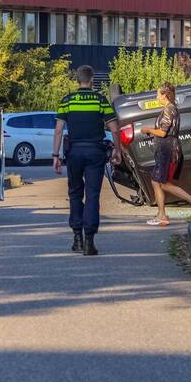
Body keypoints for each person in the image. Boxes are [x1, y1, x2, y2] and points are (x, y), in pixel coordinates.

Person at [53, 64, 121, 256]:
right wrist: (117, 150)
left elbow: (58, 130)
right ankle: (90, 241)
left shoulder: (67, 100)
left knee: (75, 193)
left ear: (77, 80)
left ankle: (77, 239)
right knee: (92, 195)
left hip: (74, 152)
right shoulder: (100, 100)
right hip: (95, 152)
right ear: (92, 80)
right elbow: (114, 128)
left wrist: (55, 156)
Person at [142, 82, 191, 227]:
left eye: (158, 94)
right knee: (157, 181)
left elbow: (163, 132)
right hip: (166, 150)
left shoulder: (169, 110)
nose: (156, 96)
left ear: (164, 95)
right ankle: (162, 214)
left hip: (168, 151)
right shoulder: (169, 109)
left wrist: (149, 130)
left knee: (163, 183)